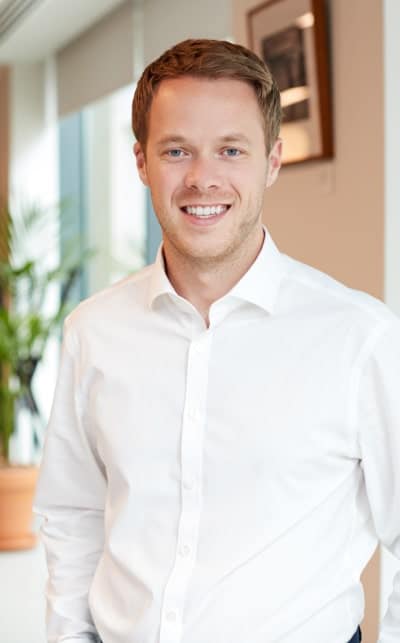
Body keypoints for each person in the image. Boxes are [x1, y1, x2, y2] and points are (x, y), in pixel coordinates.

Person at [33, 39, 400, 643]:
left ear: (272, 161)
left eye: (231, 149)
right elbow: (73, 515)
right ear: (142, 162)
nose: (203, 178)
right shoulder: (92, 332)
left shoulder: (361, 338)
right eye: (177, 150)